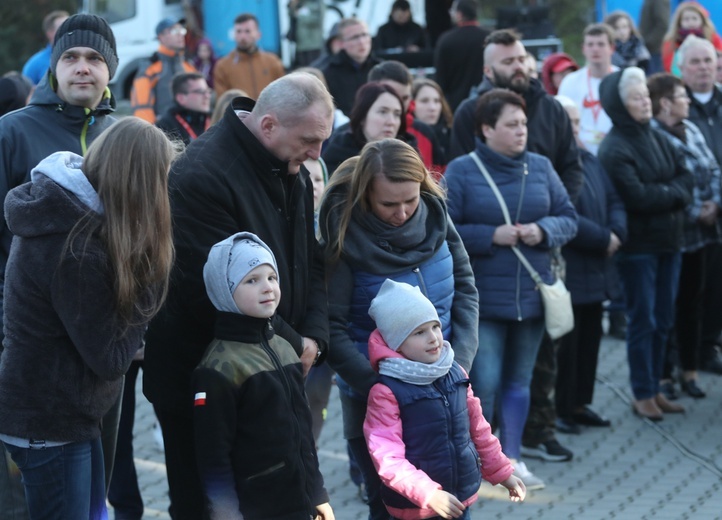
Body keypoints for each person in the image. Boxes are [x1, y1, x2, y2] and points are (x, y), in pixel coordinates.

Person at [143, 72, 332, 520]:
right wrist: (293, 344)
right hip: (208, 383)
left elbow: (310, 259)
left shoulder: (289, 164)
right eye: (309, 140)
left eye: (323, 140)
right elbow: (215, 291)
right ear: (268, 126)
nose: (317, 155)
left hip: (277, 367)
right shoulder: (201, 176)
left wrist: (315, 338)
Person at [0, 116, 176, 520]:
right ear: (138, 181)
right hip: (48, 423)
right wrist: (149, 274)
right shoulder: (75, 247)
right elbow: (111, 358)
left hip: (65, 417)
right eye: (161, 180)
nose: (165, 193)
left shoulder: (77, 221)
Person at [318, 138, 479, 520]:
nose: (403, 212)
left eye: (411, 200)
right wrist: (378, 387)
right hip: (377, 405)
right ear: (365, 194)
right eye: (389, 204)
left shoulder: (437, 215)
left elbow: (466, 291)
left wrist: (463, 362)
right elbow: (333, 328)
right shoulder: (344, 236)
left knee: (456, 505)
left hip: (446, 392)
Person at [0, 14, 120, 518]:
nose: (82, 68)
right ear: (53, 67)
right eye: (70, 57)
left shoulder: (126, 136)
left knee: (96, 484)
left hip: (106, 347)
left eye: (94, 58)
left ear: (109, 69)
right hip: (31, 350)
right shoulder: (13, 131)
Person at [449, 29, 582, 466]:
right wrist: (492, 236)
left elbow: (569, 215)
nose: (522, 131)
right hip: (485, 296)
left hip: (532, 288)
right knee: (483, 382)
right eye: (512, 125)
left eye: (524, 124)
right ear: (486, 129)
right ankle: (478, 458)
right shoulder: (463, 171)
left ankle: (512, 455)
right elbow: (446, 230)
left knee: (521, 381)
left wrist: (542, 231)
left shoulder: (541, 166)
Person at [192, 232, 334, 520]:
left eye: (271, 277)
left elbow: (303, 431)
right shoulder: (218, 368)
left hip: (299, 502)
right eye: (251, 280)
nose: (267, 287)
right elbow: (213, 456)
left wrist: (317, 493)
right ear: (224, 290)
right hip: (255, 508)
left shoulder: (284, 348)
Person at [364, 279, 525, 520]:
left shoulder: (455, 372)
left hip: (459, 499)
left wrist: (502, 473)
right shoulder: (387, 391)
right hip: (417, 507)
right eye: (419, 332)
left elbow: (480, 431)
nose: (433, 338)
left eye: (435, 327)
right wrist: (429, 494)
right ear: (396, 343)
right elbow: (387, 458)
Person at [598, 66, 693, 420]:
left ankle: (654, 387)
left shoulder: (656, 135)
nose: (645, 103)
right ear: (620, 105)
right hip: (639, 249)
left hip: (669, 242)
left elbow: (687, 176)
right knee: (644, 320)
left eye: (644, 95)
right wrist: (672, 193)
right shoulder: (614, 147)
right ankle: (642, 392)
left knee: (664, 318)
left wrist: (668, 192)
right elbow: (637, 196)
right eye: (636, 98)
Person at [553, 94, 627, 435]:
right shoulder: (551, 166)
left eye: (578, 122)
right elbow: (565, 215)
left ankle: (582, 403)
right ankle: (562, 408)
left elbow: (613, 198)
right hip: (573, 267)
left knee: (591, 342)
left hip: (598, 269)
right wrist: (603, 238)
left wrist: (617, 231)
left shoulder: (590, 159)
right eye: (568, 122)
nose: (574, 128)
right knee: (568, 347)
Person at [647, 72, 721, 400]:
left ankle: (689, 371)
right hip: (674, 234)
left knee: (694, 302)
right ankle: (663, 375)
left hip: (702, 235)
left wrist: (715, 204)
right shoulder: (654, 136)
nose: (687, 100)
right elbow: (676, 182)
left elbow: (714, 170)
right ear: (665, 103)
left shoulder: (690, 129)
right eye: (681, 96)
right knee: (667, 306)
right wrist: (695, 211)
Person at [678, 35, 722, 375]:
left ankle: (711, 345)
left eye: (709, 60)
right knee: (697, 291)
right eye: (696, 62)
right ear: (682, 68)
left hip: (718, 208)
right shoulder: (678, 107)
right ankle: (695, 353)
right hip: (692, 220)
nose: (704, 67)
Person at [368, 61, 447, 175]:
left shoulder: (424, 132)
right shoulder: (346, 137)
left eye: (404, 98)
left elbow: (440, 181)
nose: (398, 104)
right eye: (392, 96)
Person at [322, 82, 411, 175]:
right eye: (383, 112)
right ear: (362, 116)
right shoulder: (338, 154)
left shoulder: (408, 157)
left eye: (397, 114)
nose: (391, 122)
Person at [558, 23, 619, 155]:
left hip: (616, 151)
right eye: (590, 44)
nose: (595, 49)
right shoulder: (570, 82)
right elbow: (562, 122)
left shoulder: (622, 80)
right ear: (583, 49)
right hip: (580, 153)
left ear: (612, 48)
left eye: (601, 44)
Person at [131, 18, 196, 123]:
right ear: (161, 37)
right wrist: (151, 134)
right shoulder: (150, 69)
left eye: (182, 30)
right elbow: (142, 107)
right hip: (162, 134)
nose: (180, 35)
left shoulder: (189, 66)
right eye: (174, 31)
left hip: (191, 133)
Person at [434, 0, 490, 112]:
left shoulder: (446, 40)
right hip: (487, 102)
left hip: (455, 106)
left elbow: (440, 79)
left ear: (459, 15)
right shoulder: (489, 37)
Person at [213, 13, 285, 99]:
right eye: (238, 31)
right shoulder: (223, 66)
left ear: (258, 35)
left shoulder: (273, 62)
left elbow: (282, 95)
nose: (242, 36)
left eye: (248, 31)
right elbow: (222, 101)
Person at [321, 18, 382, 117]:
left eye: (364, 35)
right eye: (354, 37)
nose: (362, 42)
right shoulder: (328, 73)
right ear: (341, 44)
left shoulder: (382, 69)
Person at [662, 1, 722, 76]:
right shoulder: (672, 41)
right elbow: (668, 64)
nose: (691, 22)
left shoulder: (712, 38)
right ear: (679, 22)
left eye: (694, 18)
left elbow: (719, 59)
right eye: (686, 19)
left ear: (702, 20)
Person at [156, 72, 212, 145]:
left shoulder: (214, 118)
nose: (207, 96)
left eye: (208, 91)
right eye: (200, 92)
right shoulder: (166, 128)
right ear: (181, 98)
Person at [21, 10, 69, 85]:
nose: (69, 32)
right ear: (50, 33)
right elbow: (25, 94)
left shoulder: (82, 59)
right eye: (63, 28)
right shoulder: (35, 64)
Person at [411, 77, 454, 158]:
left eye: (437, 101)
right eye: (424, 101)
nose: (432, 107)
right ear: (411, 104)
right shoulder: (404, 138)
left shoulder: (451, 134)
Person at [287, 0, 326, 67]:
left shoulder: (317, 3)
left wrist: (300, 16)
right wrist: (293, 5)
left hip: (313, 45)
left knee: (313, 69)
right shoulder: (300, 3)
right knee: (301, 70)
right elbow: (291, 15)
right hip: (300, 44)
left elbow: (318, 21)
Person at [639, 0, 670, 74]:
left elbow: (663, 25)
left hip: (654, 50)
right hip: (649, 49)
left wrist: (648, 42)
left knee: (654, 80)